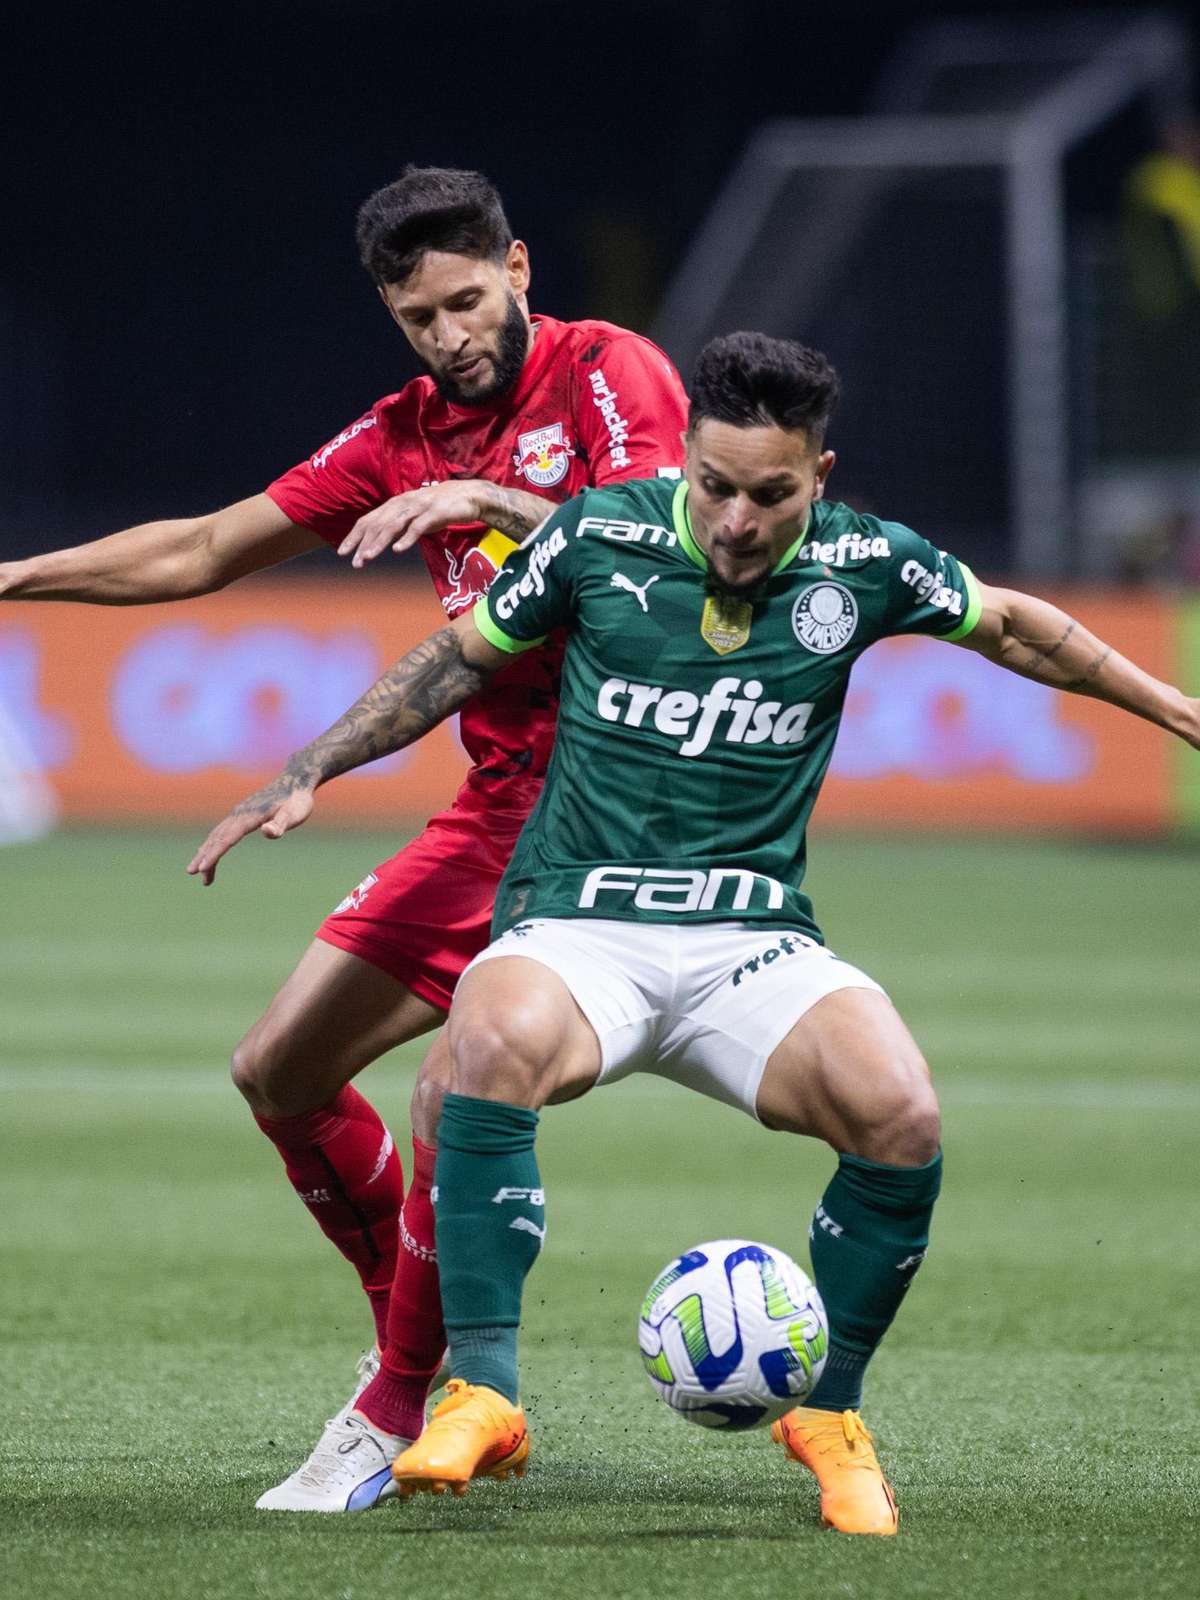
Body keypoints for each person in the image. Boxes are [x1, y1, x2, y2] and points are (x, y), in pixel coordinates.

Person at [190, 327, 1200, 1534]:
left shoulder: (864, 562)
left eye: (769, 494)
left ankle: (828, 1410)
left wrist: (1173, 704)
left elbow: (1022, 628)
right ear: (688, 466)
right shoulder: (599, 535)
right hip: (578, 927)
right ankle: (484, 1393)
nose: (733, 519)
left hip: (752, 941)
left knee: (902, 1112)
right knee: (478, 1049)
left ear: (819, 479)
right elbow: (454, 662)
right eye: (712, 485)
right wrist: (309, 765)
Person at [0, 166, 689, 1511]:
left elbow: (670, 559)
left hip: (625, 802)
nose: (447, 334)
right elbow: (203, 548)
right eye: (417, 315)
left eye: (466, 300)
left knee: (455, 1092)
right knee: (280, 1068)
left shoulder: (608, 374)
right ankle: (417, 1333)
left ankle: (391, 1405)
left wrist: (491, 509)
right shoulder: (399, 431)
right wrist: (19, 576)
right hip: (502, 803)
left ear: (522, 269)